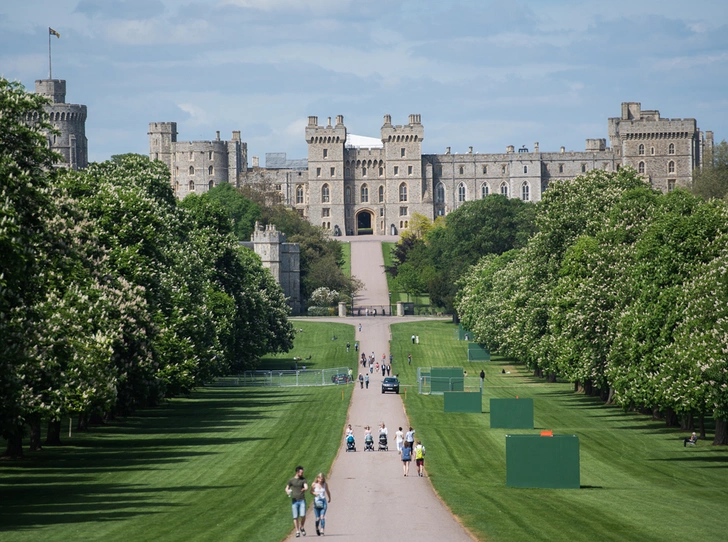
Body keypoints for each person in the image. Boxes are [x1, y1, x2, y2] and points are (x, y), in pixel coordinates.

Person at [286, 466, 309, 537]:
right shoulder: (291, 480)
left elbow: (306, 486)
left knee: (303, 515)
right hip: (294, 501)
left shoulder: (303, 480)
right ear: (297, 472)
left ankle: (302, 527)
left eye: (302, 472)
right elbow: (287, 488)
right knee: (295, 517)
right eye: (301, 472)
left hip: (302, 500)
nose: (302, 473)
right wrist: (287, 491)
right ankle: (297, 531)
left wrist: (305, 489)